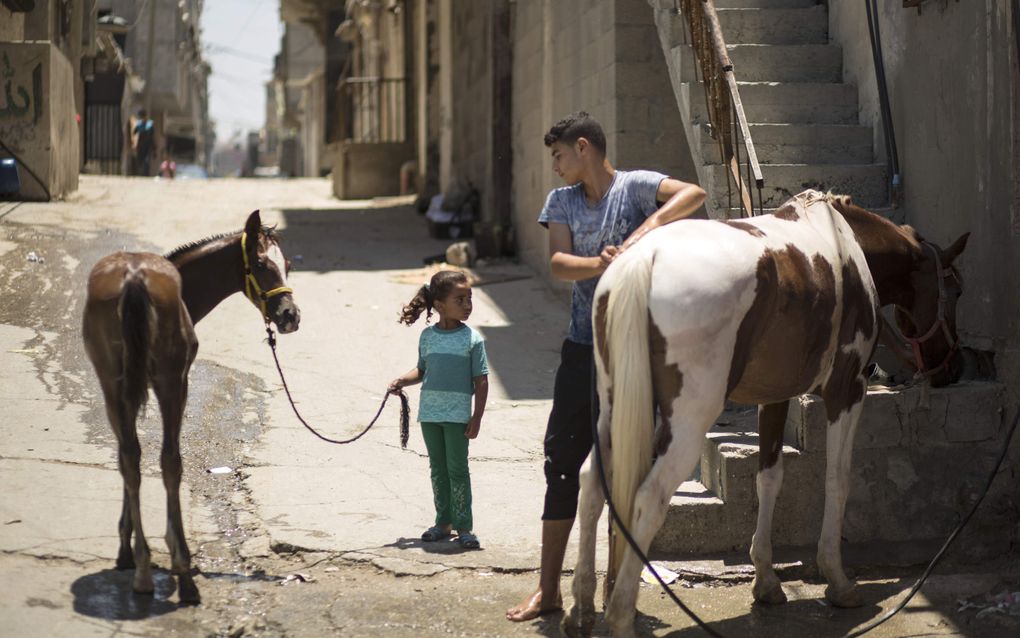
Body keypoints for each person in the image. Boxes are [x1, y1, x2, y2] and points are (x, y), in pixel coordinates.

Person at [506, 111, 706, 621]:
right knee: (561, 463)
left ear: (582, 148)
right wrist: (603, 263)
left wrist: (646, 231)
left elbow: (694, 194)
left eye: (557, 156)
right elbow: (557, 264)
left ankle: (620, 587)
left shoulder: (636, 187)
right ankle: (550, 590)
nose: (554, 166)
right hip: (581, 349)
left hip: (635, 355)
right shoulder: (562, 202)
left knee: (627, 463)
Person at [389, 270, 489, 550]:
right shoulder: (427, 337)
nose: (468, 304)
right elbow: (422, 370)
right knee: (438, 470)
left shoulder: (473, 340)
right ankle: (442, 522)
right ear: (439, 305)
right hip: (430, 415)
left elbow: (481, 382)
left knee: (458, 470)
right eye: (461, 299)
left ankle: (464, 526)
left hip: (458, 416)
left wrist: (477, 417)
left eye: (470, 298)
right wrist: (401, 380)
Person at [132, 110, 155, 176]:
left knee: (147, 161)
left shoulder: (150, 125)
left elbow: (152, 137)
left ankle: (146, 174)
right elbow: (134, 133)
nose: (142, 118)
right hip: (140, 145)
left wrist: (154, 148)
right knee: (140, 160)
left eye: (142, 117)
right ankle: (140, 174)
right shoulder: (139, 125)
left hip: (147, 146)